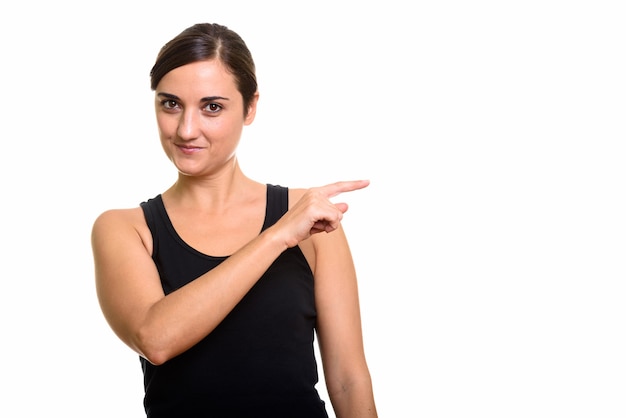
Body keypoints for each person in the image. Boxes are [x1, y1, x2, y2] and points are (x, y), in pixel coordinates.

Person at [91, 22, 377, 418]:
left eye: (212, 107)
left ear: (251, 107)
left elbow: (348, 379)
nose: (186, 129)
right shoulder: (126, 228)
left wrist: (287, 228)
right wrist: (276, 237)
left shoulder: (311, 221)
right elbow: (155, 338)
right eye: (170, 103)